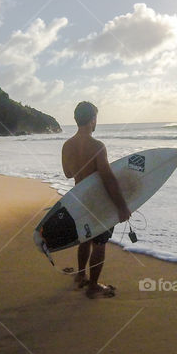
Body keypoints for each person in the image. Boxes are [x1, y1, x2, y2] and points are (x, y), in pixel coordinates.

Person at [61, 101, 131, 298]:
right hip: (98, 203)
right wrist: (122, 207)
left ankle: (80, 275)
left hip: (79, 199)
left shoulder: (67, 145)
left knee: (84, 239)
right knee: (99, 244)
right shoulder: (98, 147)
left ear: (76, 120)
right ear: (93, 119)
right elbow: (108, 179)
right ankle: (93, 286)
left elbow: (67, 174)